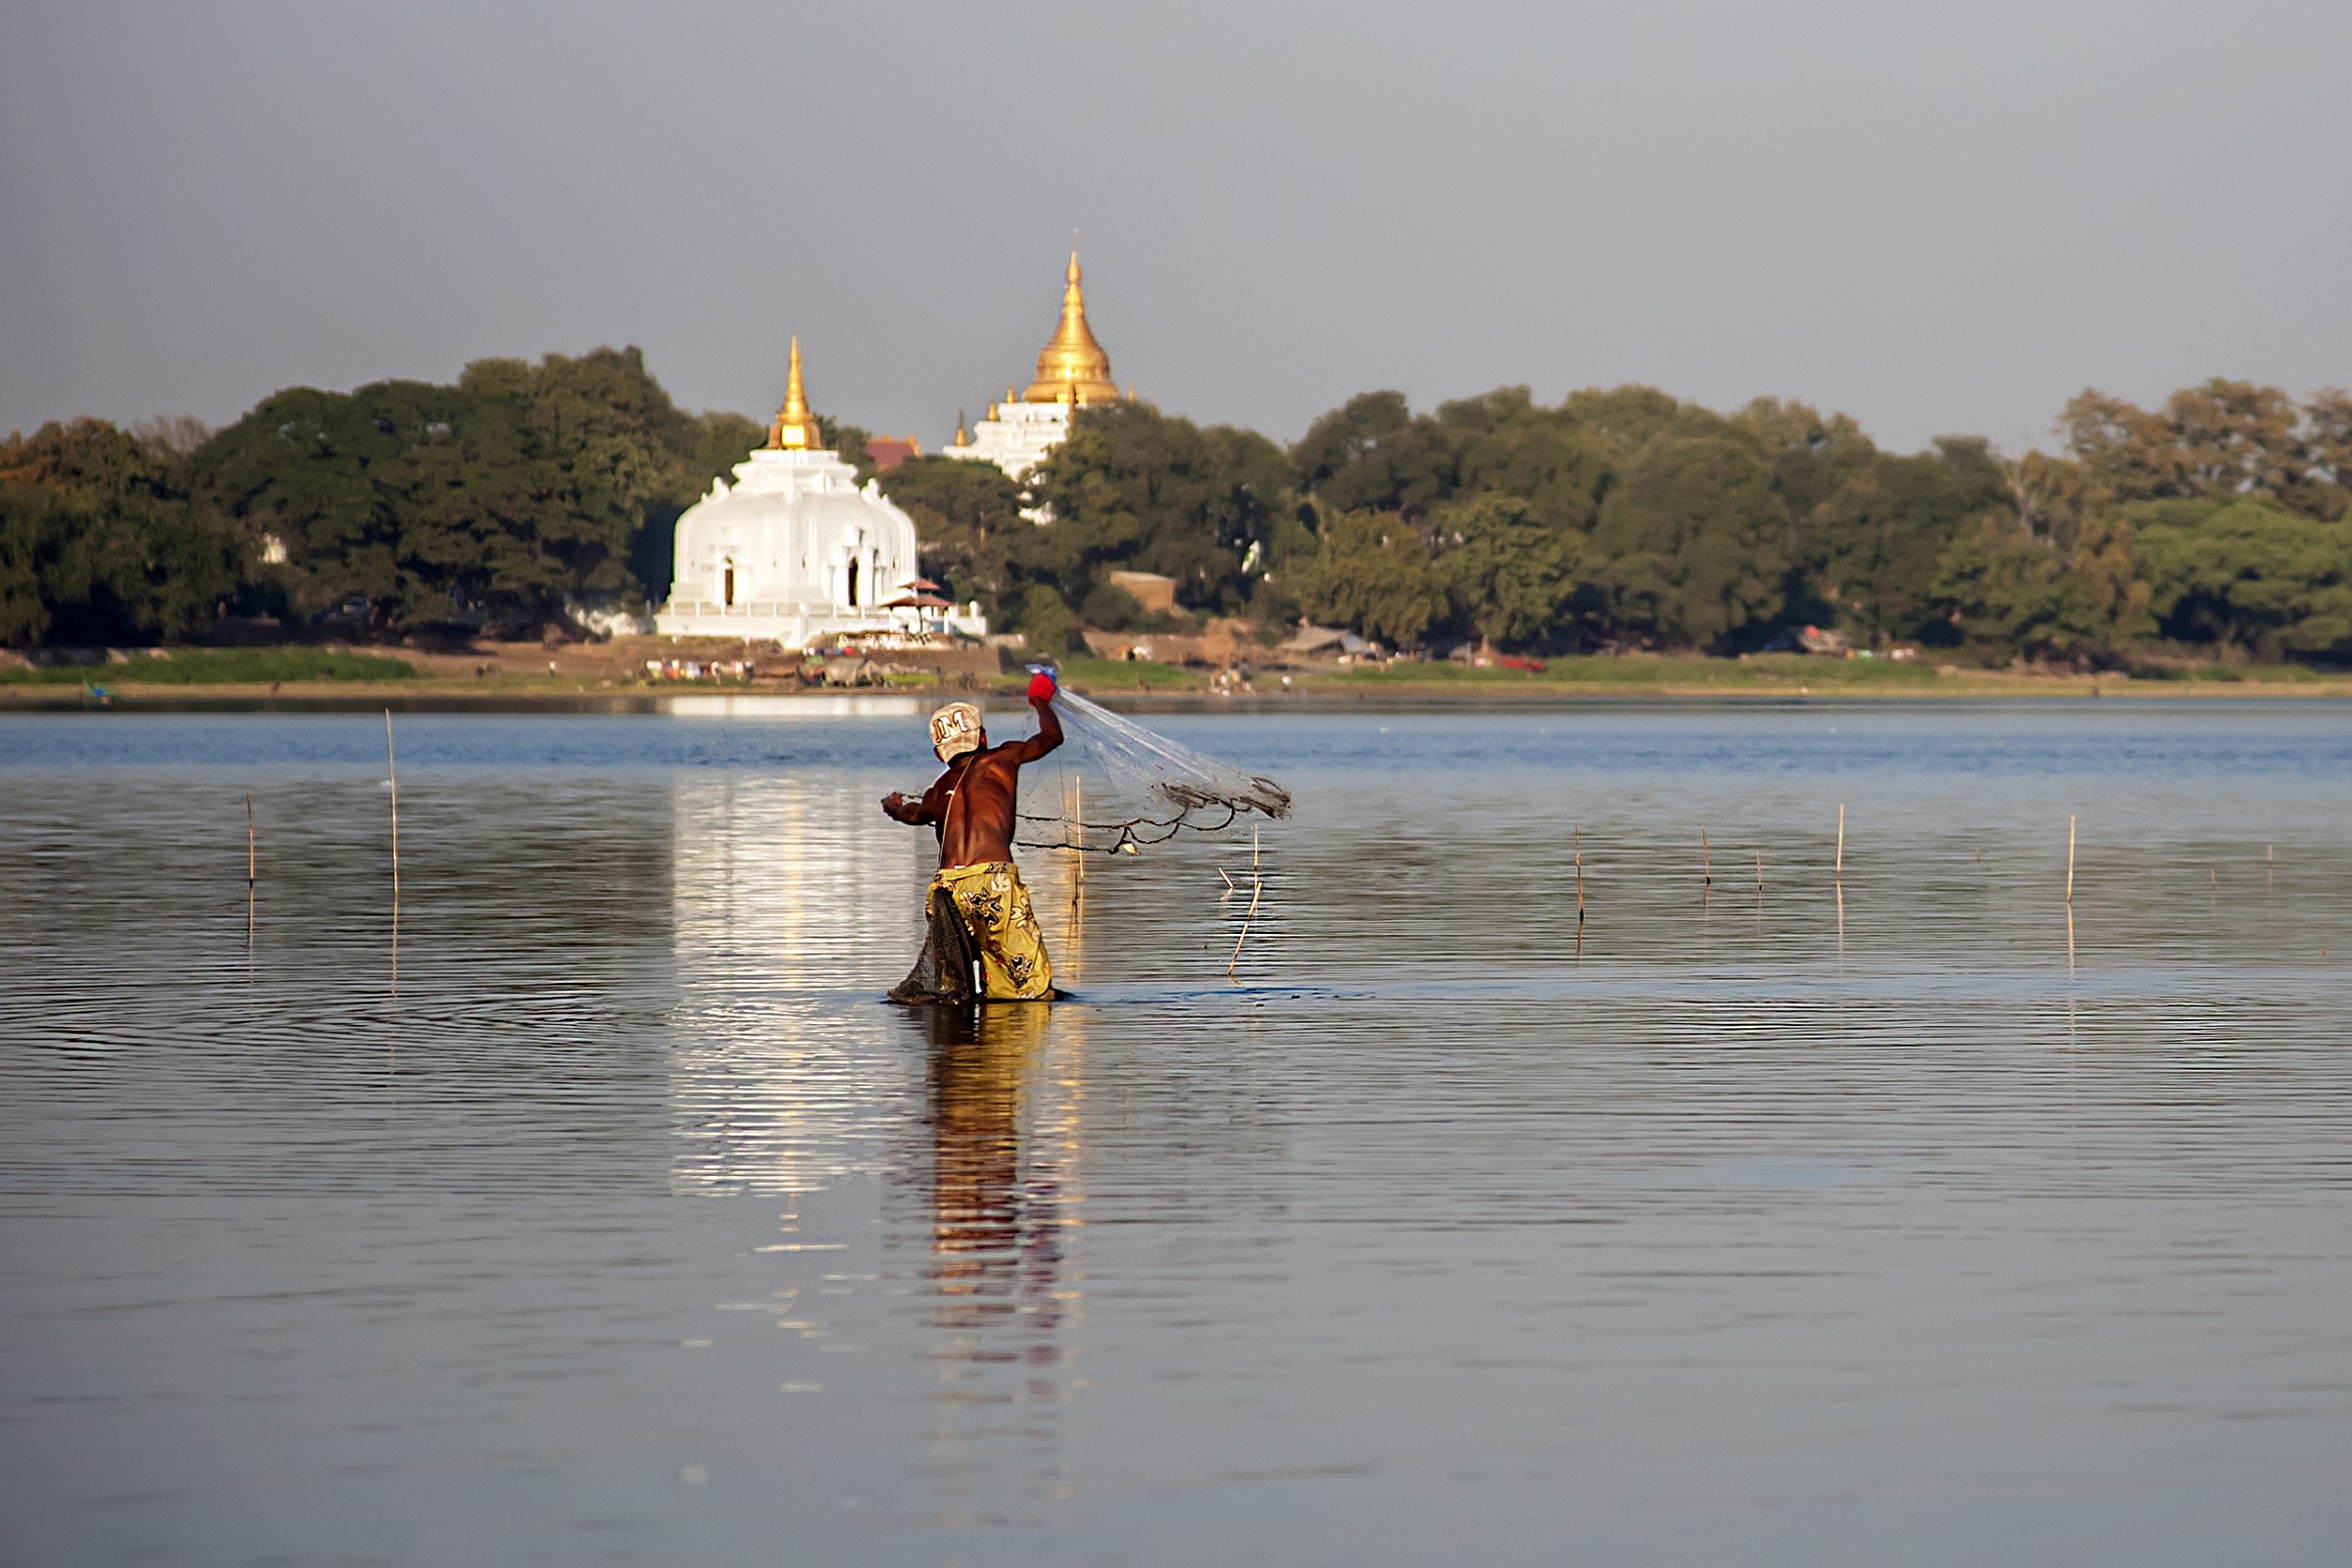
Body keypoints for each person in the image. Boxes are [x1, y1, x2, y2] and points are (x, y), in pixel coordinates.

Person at [882, 670, 1064, 1000]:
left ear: (939, 754)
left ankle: (963, 1049)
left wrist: (893, 807)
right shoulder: (1003, 758)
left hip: (946, 890)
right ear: (982, 738)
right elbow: (1051, 738)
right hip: (992, 883)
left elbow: (913, 814)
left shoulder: (937, 791)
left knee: (953, 990)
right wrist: (1040, 700)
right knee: (1028, 989)